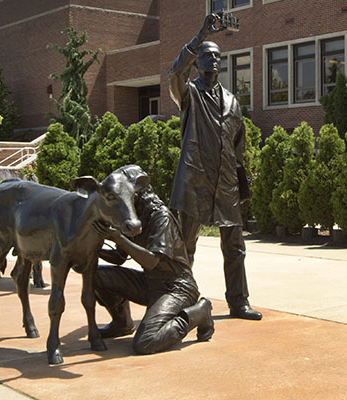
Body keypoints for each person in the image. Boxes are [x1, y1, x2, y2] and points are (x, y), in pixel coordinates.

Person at [166, 13, 260, 320]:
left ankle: (238, 301)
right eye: (207, 56)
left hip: (226, 184)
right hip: (195, 180)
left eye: (217, 57)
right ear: (197, 63)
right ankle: (178, 300)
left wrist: (242, 184)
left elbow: (238, 147)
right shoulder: (189, 94)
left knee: (235, 246)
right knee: (185, 247)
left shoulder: (232, 102)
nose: (213, 61)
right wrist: (200, 34)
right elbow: (174, 74)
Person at [93, 172, 215, 355]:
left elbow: (151, 260)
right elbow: (119, 257)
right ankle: (122, 323)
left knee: (146, 342)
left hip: (176, 288)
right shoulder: (132, 217)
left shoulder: (161, 217)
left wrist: (118, 238)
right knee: (96, 276)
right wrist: (94, 249)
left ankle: (199, 312)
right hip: (150, 283)